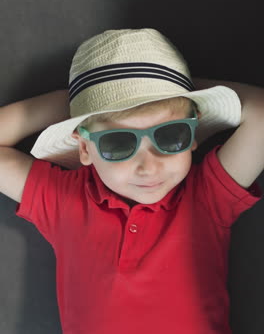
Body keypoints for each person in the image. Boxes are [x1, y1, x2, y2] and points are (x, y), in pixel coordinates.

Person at [0, 28, 263, 334]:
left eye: (171, 135)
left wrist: (183, 94)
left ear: (192, 135)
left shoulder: (206, 197)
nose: (148, 167)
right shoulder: (63, 200)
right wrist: (75, 104)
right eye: (118, 143)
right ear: (85, 148)